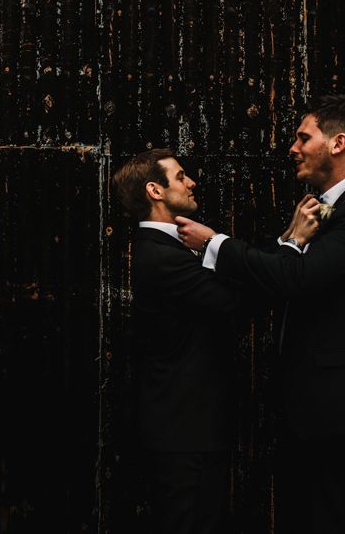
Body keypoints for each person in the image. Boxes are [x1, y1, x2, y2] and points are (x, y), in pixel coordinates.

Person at [176, 94, 345, 534]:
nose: (293, 148)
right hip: (315, 407)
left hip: (344, 408)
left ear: (338, 144)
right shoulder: (324, 208)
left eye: (303, 137)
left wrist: (214, 242)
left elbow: (298, 278)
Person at [112, 149, 240, 534]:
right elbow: (231, 301)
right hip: (183, 430)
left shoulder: (173, 248)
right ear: (155, 190)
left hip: (190, 426)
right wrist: (288, 247)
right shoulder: (160, 256)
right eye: (181, 176)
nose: (191, 182)